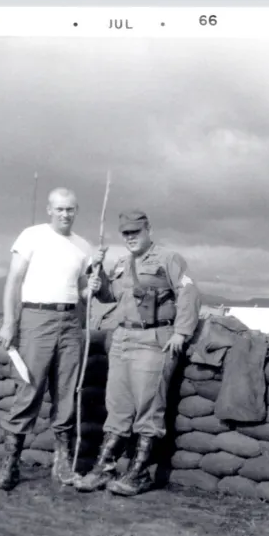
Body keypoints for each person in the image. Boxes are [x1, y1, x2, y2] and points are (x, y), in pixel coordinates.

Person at [74, 210, 201, 496]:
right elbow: (110, 297)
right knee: (117, 407)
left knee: (148, 407)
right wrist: (98, 281)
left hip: (153, 339)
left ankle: (140, 472)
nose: (131, 238)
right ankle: (103, 469)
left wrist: (181, 332)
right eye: (126, 233)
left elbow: (189, 293)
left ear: (148, 230)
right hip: (122, 339)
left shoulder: (168, 259)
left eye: (136, 232)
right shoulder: (120, 263)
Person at [0, 187, 95, 491]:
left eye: (70, 209)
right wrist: (10, 322)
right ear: (50, 210)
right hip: (36, 318)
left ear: (76, 211)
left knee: (67, 390)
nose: (65, 214)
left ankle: (61, 467)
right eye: (60, 209)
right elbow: (14, 280)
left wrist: (94, 285)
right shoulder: (32, 236)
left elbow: (85, 291)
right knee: (30, 388)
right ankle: (10, 467)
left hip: (70, 321)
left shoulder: (83, 246)